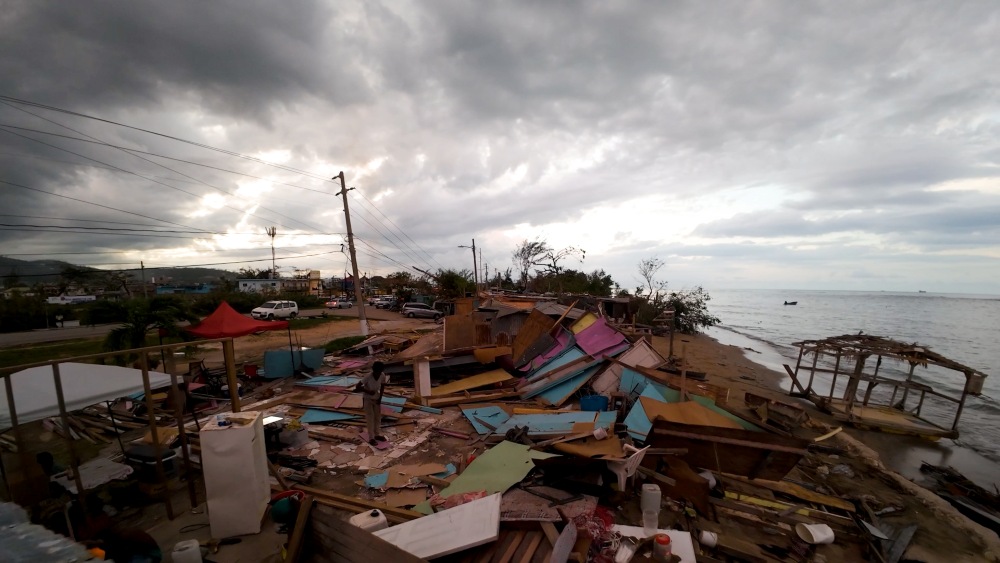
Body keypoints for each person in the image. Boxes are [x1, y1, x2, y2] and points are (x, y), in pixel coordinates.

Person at [355, 361, 388, 446]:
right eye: (376, 372)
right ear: (374, 371)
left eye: (379, 372)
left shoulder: (382, 375)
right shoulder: (368, 376)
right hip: (368, 399)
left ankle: (377, 435)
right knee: (370, 418)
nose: (378, 374)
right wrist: (368, 391)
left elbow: (383, 386)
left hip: (376, 398)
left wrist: (380, 398)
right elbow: (357, 386)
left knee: (377, 418)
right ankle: (371, 438)